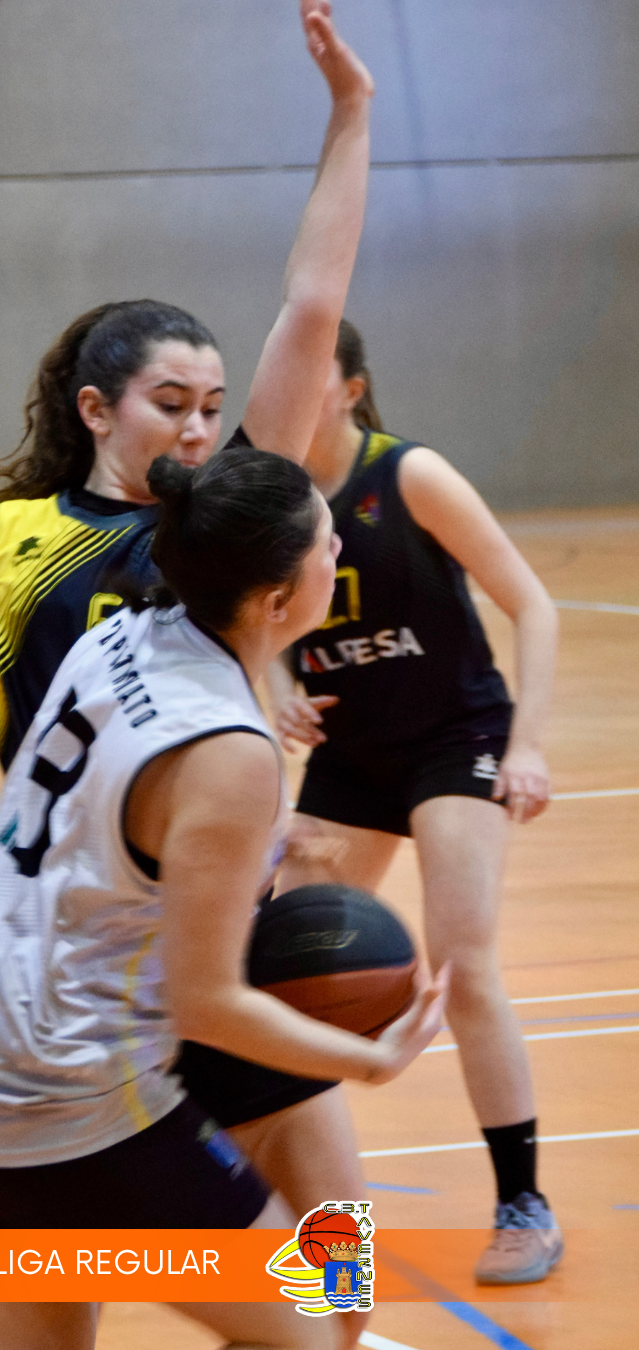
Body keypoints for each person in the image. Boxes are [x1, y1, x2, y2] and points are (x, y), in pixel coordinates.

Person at [0, 5, 378, 1315]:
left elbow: (313, 308)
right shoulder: (6, 541)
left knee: (339, 1267)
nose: (200, 432)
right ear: (96, 408)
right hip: (78, 965)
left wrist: (349, 118)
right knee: (186, 1290)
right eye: (171, 405)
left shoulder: (216, 528)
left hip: (203, 935)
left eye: (215, 409)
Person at [0, 448, 448, 1350]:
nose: (340, 545)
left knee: (334, 1287)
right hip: (64, 1098)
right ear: (274, 600)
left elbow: (125, 816)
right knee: (314, 1326)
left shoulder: (124, 631)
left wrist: (236, 851)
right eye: (325, 542)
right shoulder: (229, 752)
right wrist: (371, 1058)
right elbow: (207, 1003)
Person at [269, 318, 562, 1285]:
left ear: (351, 388)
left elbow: (533, 603)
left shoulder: (410, 476)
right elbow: (247, 621)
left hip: (455, 739)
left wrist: (526, 745)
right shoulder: (272, 497)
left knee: (462, 964)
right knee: (283, 970)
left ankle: (523, 1201)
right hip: (349, 756)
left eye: (313, 374)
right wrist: (275, 681)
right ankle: (314, 1222)